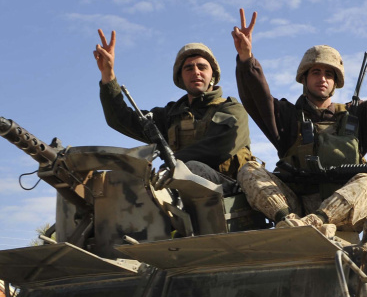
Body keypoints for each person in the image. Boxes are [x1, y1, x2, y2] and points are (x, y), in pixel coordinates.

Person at [231, 8, 367, 234]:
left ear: (336, 82)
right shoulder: (288, 118)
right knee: (249, 169)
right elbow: (258, 98)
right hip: (295, 211)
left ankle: (317, 222)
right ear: (305, 77)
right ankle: (288, 222)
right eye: (316, 72)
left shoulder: (356, 117)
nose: (322, 79)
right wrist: (246, 58)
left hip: (342, 215)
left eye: (329, 74)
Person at [93, 29, 251, 185]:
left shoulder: (231, 108)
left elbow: (219, 147)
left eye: (202, 67)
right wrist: (108, 75)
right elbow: (121, 119)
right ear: (181, 78)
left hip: (231, 188)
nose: (196, 72)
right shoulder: (170, 116)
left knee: (191, 168)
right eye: (188, 68)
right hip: (182, 188)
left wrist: (171, 164)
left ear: (213, 75)